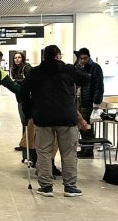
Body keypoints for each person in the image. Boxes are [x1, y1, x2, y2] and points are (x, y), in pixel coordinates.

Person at [19, 45, 90, 197]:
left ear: (45, 56)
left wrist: (29, 110)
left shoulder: (35, 72)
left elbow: (22, 92)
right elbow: (86, 79)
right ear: (58, 55)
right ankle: (70, 186)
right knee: (69, 153)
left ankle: (46, 187)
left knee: (44, 152)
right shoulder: (69, 69)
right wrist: (78, 66)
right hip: (67, 117)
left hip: (43, 117)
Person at [75, 48, 105, 158]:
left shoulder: (95, 68)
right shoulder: (78, 67)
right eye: (81, 59)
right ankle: (84, 148)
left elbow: (99, 86)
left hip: (89, 101)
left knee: (88, 126)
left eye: (85, 58)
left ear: (89, 57)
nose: (83, 61)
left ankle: (88, 150)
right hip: (79, 100)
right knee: (81, 125)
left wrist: (96, 102)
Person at [10, 51, 31, 151]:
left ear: (22, 58)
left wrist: (16, 81)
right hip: (20, 99)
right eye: (15, 58)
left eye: (19, 57)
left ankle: (26, 144)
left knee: (26, 122)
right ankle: (24, 143)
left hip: (27, 99)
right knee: (24, 122)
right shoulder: (15, 69)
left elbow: (30, 81)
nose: (17, 59)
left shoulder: (26, 68)